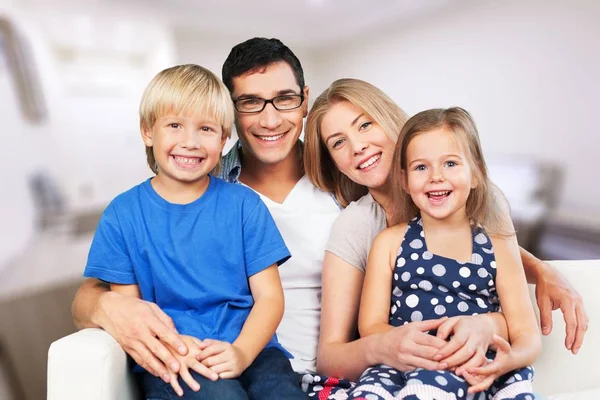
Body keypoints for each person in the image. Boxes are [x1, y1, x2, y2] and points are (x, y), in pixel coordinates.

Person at [71, 39, 587, 393]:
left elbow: (439, 229)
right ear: (229, 116)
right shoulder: (205, 185)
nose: (269, 118)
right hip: (237, 364)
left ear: (303, 103)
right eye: (250, 104)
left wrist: (535, 267)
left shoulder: (345, 184)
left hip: (318, 375)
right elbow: (101, 283)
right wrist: (105, 308)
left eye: (284, 100)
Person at [302, 78, 587, 396]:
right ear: (333, 162)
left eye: (365, 124)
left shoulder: (482, 201)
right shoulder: (358, 227)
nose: (357, 146)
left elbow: (502, 281)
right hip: (402, 369)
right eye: (338, 142)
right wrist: (384, 346)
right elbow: (330, 356)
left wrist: (539, 272)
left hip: (474, 364)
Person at [82, 64, 307, 399]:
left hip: (254, 351)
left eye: (205, 128)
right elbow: (131, 312)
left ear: (223, 139)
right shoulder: (123, 214)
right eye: (174, 125)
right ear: (147, 131)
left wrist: (243, 352)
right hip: (175, 356)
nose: (190, 142)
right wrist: (177, 349)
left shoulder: (244, 205)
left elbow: (270, 298)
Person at [346, 107, 540, 399]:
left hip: (475, 366)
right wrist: (411, 346)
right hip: (405, 365)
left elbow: (526, 333)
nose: (436, 177)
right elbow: (370, 326)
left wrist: (507, 361)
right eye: (421, 167)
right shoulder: (389, 243)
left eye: (450, 163)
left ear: (476, 174)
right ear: (404, 180)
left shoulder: (498, 245)